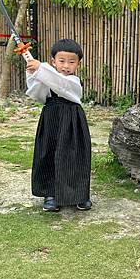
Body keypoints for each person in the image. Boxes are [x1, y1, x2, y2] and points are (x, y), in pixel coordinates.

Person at [25, 38, 92, 212]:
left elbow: (60, 84)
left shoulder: (74, 82)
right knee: (48, 153)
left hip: (72, 122)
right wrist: (33, 71)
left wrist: (41, 68)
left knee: (74, 156)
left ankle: (80, 195)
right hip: (51, 120)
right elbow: (37, 93)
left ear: (78, 63)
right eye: (61, 61)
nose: (66, 66)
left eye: (71, 62)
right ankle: (51, 194)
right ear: (53, 61)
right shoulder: (48, 77)